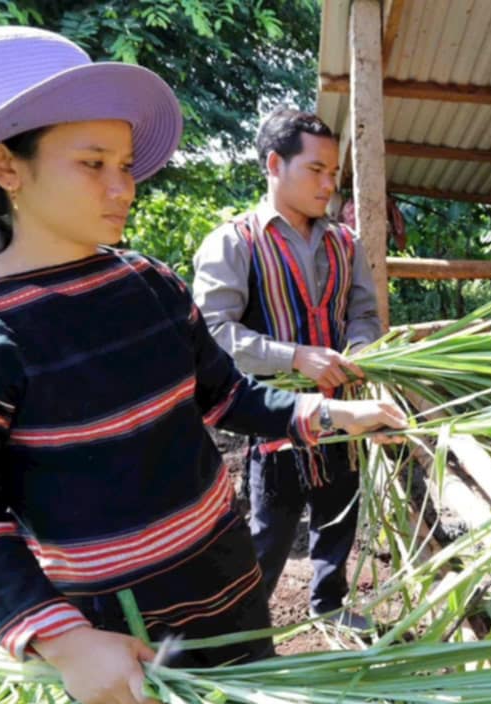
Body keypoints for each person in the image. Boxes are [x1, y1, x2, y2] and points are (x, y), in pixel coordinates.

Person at [0, 26, 405, 704]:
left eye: (125, 163)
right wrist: (61, 640)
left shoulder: (149, 284)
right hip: (119, 631)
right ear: (5, 166)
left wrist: (328, 417)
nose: (120, 185)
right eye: (91, 163)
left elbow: (225, 396)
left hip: (226, 582)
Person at [192, 109, 381, 628]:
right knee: (269, 531)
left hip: (342, 412)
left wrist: (362, 347)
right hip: (273, 420)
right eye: (316, 170)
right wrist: (294, 357)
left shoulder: (346, 243)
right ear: (275, 164)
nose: (329, 184)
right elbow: (213, 334)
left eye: (333, 174)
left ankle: (330, 607)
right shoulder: (234, 242)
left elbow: (363, 312)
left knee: (339, 513)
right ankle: (242, 630)